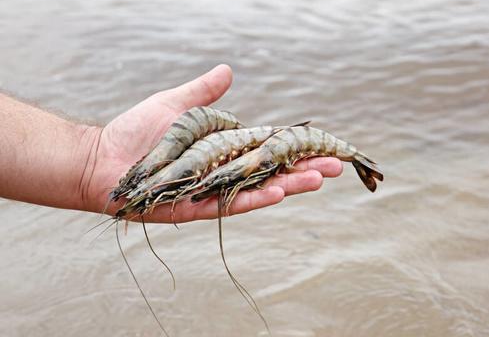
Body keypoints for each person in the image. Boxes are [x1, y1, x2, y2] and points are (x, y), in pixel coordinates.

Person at [0, 64, 343, 222]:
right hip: (220, 138)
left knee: (222, 175)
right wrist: (88, 163)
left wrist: (89, 160)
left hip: (233, 138)